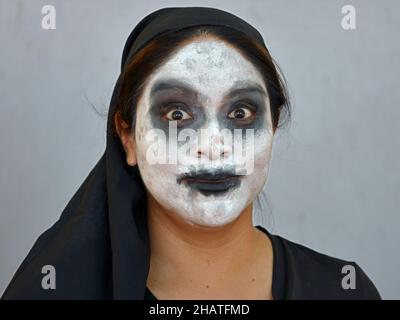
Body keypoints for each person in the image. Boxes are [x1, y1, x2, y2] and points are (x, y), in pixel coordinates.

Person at [2, 7, 381, 300]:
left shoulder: (345, 290)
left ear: (273, 124)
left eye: (240, 113)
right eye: (177, 114)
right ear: (128, 137)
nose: (213, 145)